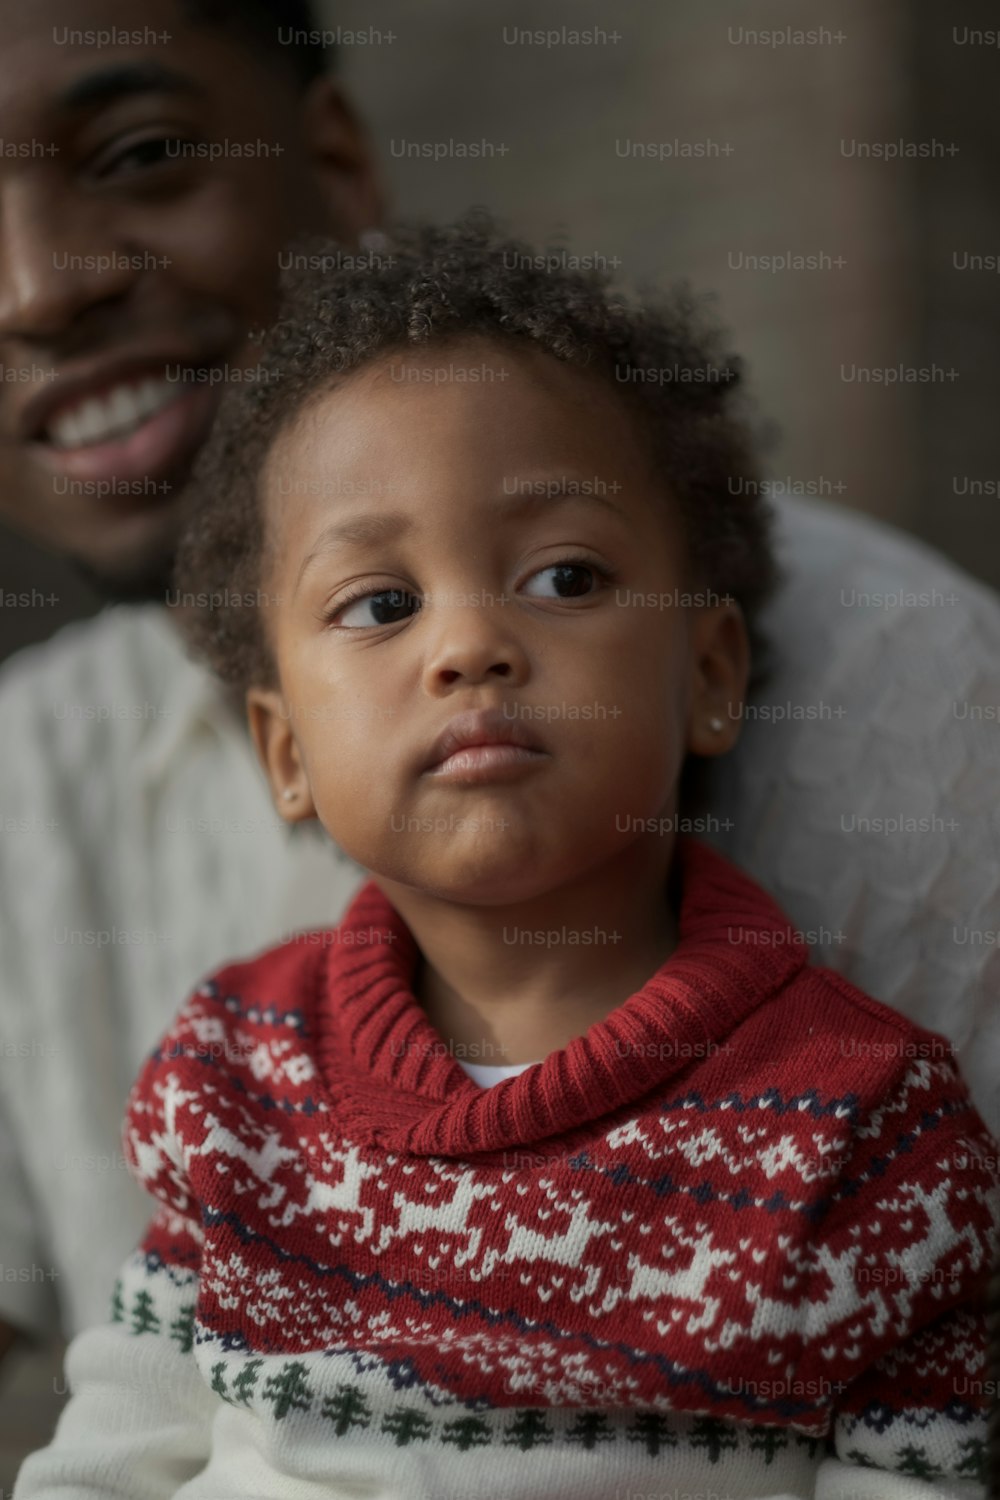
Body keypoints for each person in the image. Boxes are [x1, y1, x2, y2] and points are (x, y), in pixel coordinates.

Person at [15, 215, 999, 1500]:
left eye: (565, 578)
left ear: (707, 674)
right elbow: (111, 1459)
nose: (468, 645)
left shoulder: (864, 1133)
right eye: (380, 604)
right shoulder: (236, 1079)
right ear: (285, 752)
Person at [0, 0, 381, 1358]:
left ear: (333, 160)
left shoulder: (891, 706)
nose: (38, 287)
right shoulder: (29, 770)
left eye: (139, 153)